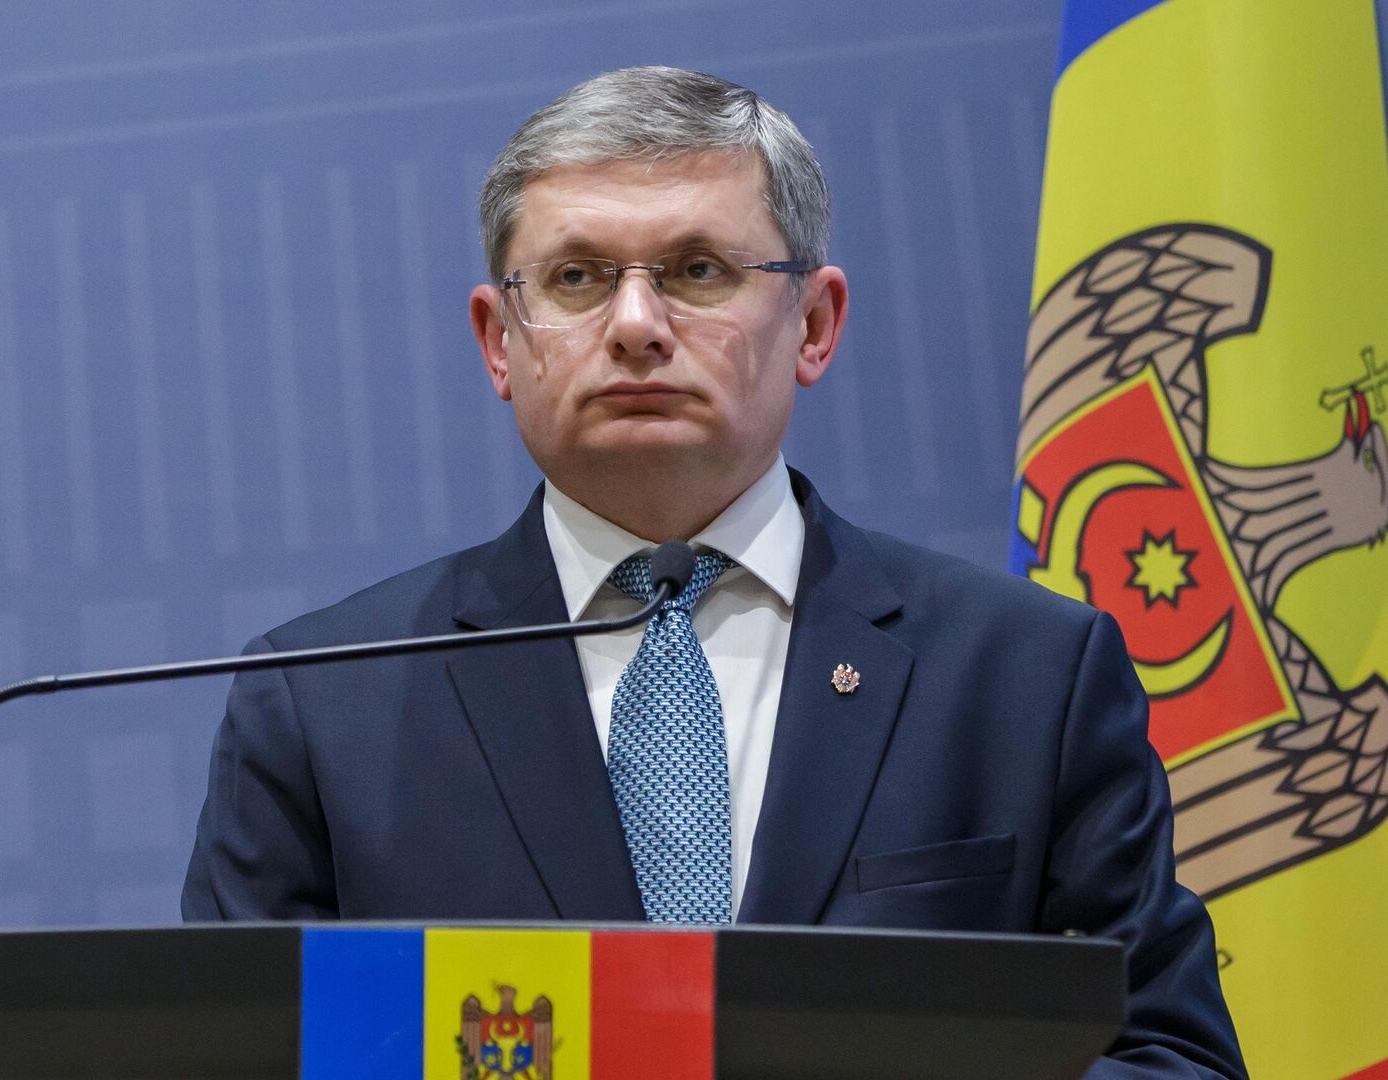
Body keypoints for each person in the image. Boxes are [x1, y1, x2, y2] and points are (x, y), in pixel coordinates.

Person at [182, 67, 1244, 1076]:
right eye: (577, 278)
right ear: (500, 341)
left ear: (815, 324)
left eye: (697, 271)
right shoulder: (326, 700)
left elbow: (1171, 1057)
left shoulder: (1026, 676)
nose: (636, 327)